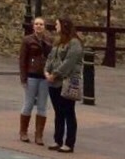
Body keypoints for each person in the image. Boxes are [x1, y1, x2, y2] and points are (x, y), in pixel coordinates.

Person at [43, 16, 82, 152]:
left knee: (68, 112)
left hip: (67, 81)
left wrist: (55, 73)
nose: (55, 27)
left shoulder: (74, 43)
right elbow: (50, 57)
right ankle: (57, 140)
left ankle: (69, 143)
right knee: (58, 112)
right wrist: (47, 71)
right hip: (54, 82)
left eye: (57, 24)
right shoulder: (57, 41)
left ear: (64, 26)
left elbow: (69, 63)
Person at [19, 17, 53, 145]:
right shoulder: (27, 40)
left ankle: (39, 135)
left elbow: (52, 57)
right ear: (33, 26)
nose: (39, 26)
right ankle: (23, 132)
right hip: (31, 75)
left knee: (42, 106)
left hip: (44, 76)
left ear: (44, 27)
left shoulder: (49, 40)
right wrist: (23, 77)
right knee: (28, 104)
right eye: (37, 24)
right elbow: (22, 60)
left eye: (41, 24)